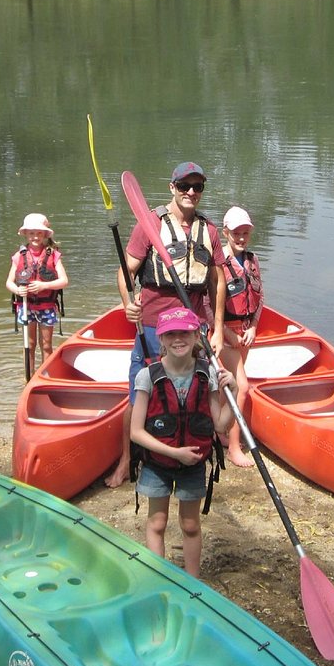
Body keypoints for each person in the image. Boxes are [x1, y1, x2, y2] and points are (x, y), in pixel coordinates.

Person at [104, 162, 229, 488]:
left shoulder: (210, 231)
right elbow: (125, 271)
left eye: (197, 186)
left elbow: (217, 281)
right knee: (139, 390)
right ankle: (125, 460)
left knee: (198, 389)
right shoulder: (149, 225)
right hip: (153, 325)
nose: (191, 192)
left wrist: (216, 329)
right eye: (184, 185)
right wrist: (128, 302)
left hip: (193, 326)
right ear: (172, 187)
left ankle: (193, 450)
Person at [130, 307, 236, 577]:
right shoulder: (147, 376)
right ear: (162, 340)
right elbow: (136, 432)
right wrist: (174, 452)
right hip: (158, 462)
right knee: (158, 522)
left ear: (195, 337)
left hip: (193, 463)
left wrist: (234, 393)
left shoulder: (207, 375)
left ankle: (193, 581)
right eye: (171, 334)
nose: (179, 339)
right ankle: (159, 578)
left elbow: (221, 425)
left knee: (190, 524)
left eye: (185, 333)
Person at [218, 206, 263, 468]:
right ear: (226, 232)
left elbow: (260, 298)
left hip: (245, 332)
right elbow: (208, 305)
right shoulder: (218, 263)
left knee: (228, 386)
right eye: (236, 233)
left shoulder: (252, 260)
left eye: (245, 232)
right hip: (224, 335)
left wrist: (253, 327)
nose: (241, 238)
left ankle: (221, 432)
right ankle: (234, 447)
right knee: (241, 387)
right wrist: (225, 332)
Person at [4, 213, 69, 368]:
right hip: (26, 307)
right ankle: (29, 377)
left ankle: (45, 375)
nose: (35, 237)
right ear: (26, 234)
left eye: (39, 233)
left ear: (45, 234)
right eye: (31, 233)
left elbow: (64, 281)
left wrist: (43, 286)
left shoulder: (54, 255)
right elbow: (9, 282)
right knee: (30, 345)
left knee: (46, 345)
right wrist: (18, 291)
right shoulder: (18, 256)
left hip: (46, 307)